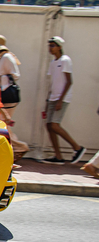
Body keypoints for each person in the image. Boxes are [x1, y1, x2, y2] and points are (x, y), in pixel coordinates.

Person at [40, 36, 86, 165]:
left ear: (59, 47)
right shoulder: (53, 62)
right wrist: (47, 101)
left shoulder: (65, 60)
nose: (50, 48)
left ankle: (77, 148)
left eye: (53, 46)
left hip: (62, 98)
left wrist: (60, 100)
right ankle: (58, 156)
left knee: (55, 125)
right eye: (49, 45)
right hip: (52, 98)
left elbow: (69, 81)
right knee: (49, 126)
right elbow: (53, 82)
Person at [0, 36, 30, 160]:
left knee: (2, 124)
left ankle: (19, 147)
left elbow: (12, 75)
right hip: (4, 95)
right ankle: (14, 148)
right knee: (3, 124)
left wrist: (0, 77)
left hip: (7, 95)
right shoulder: (1, 58)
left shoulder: (5, 57)